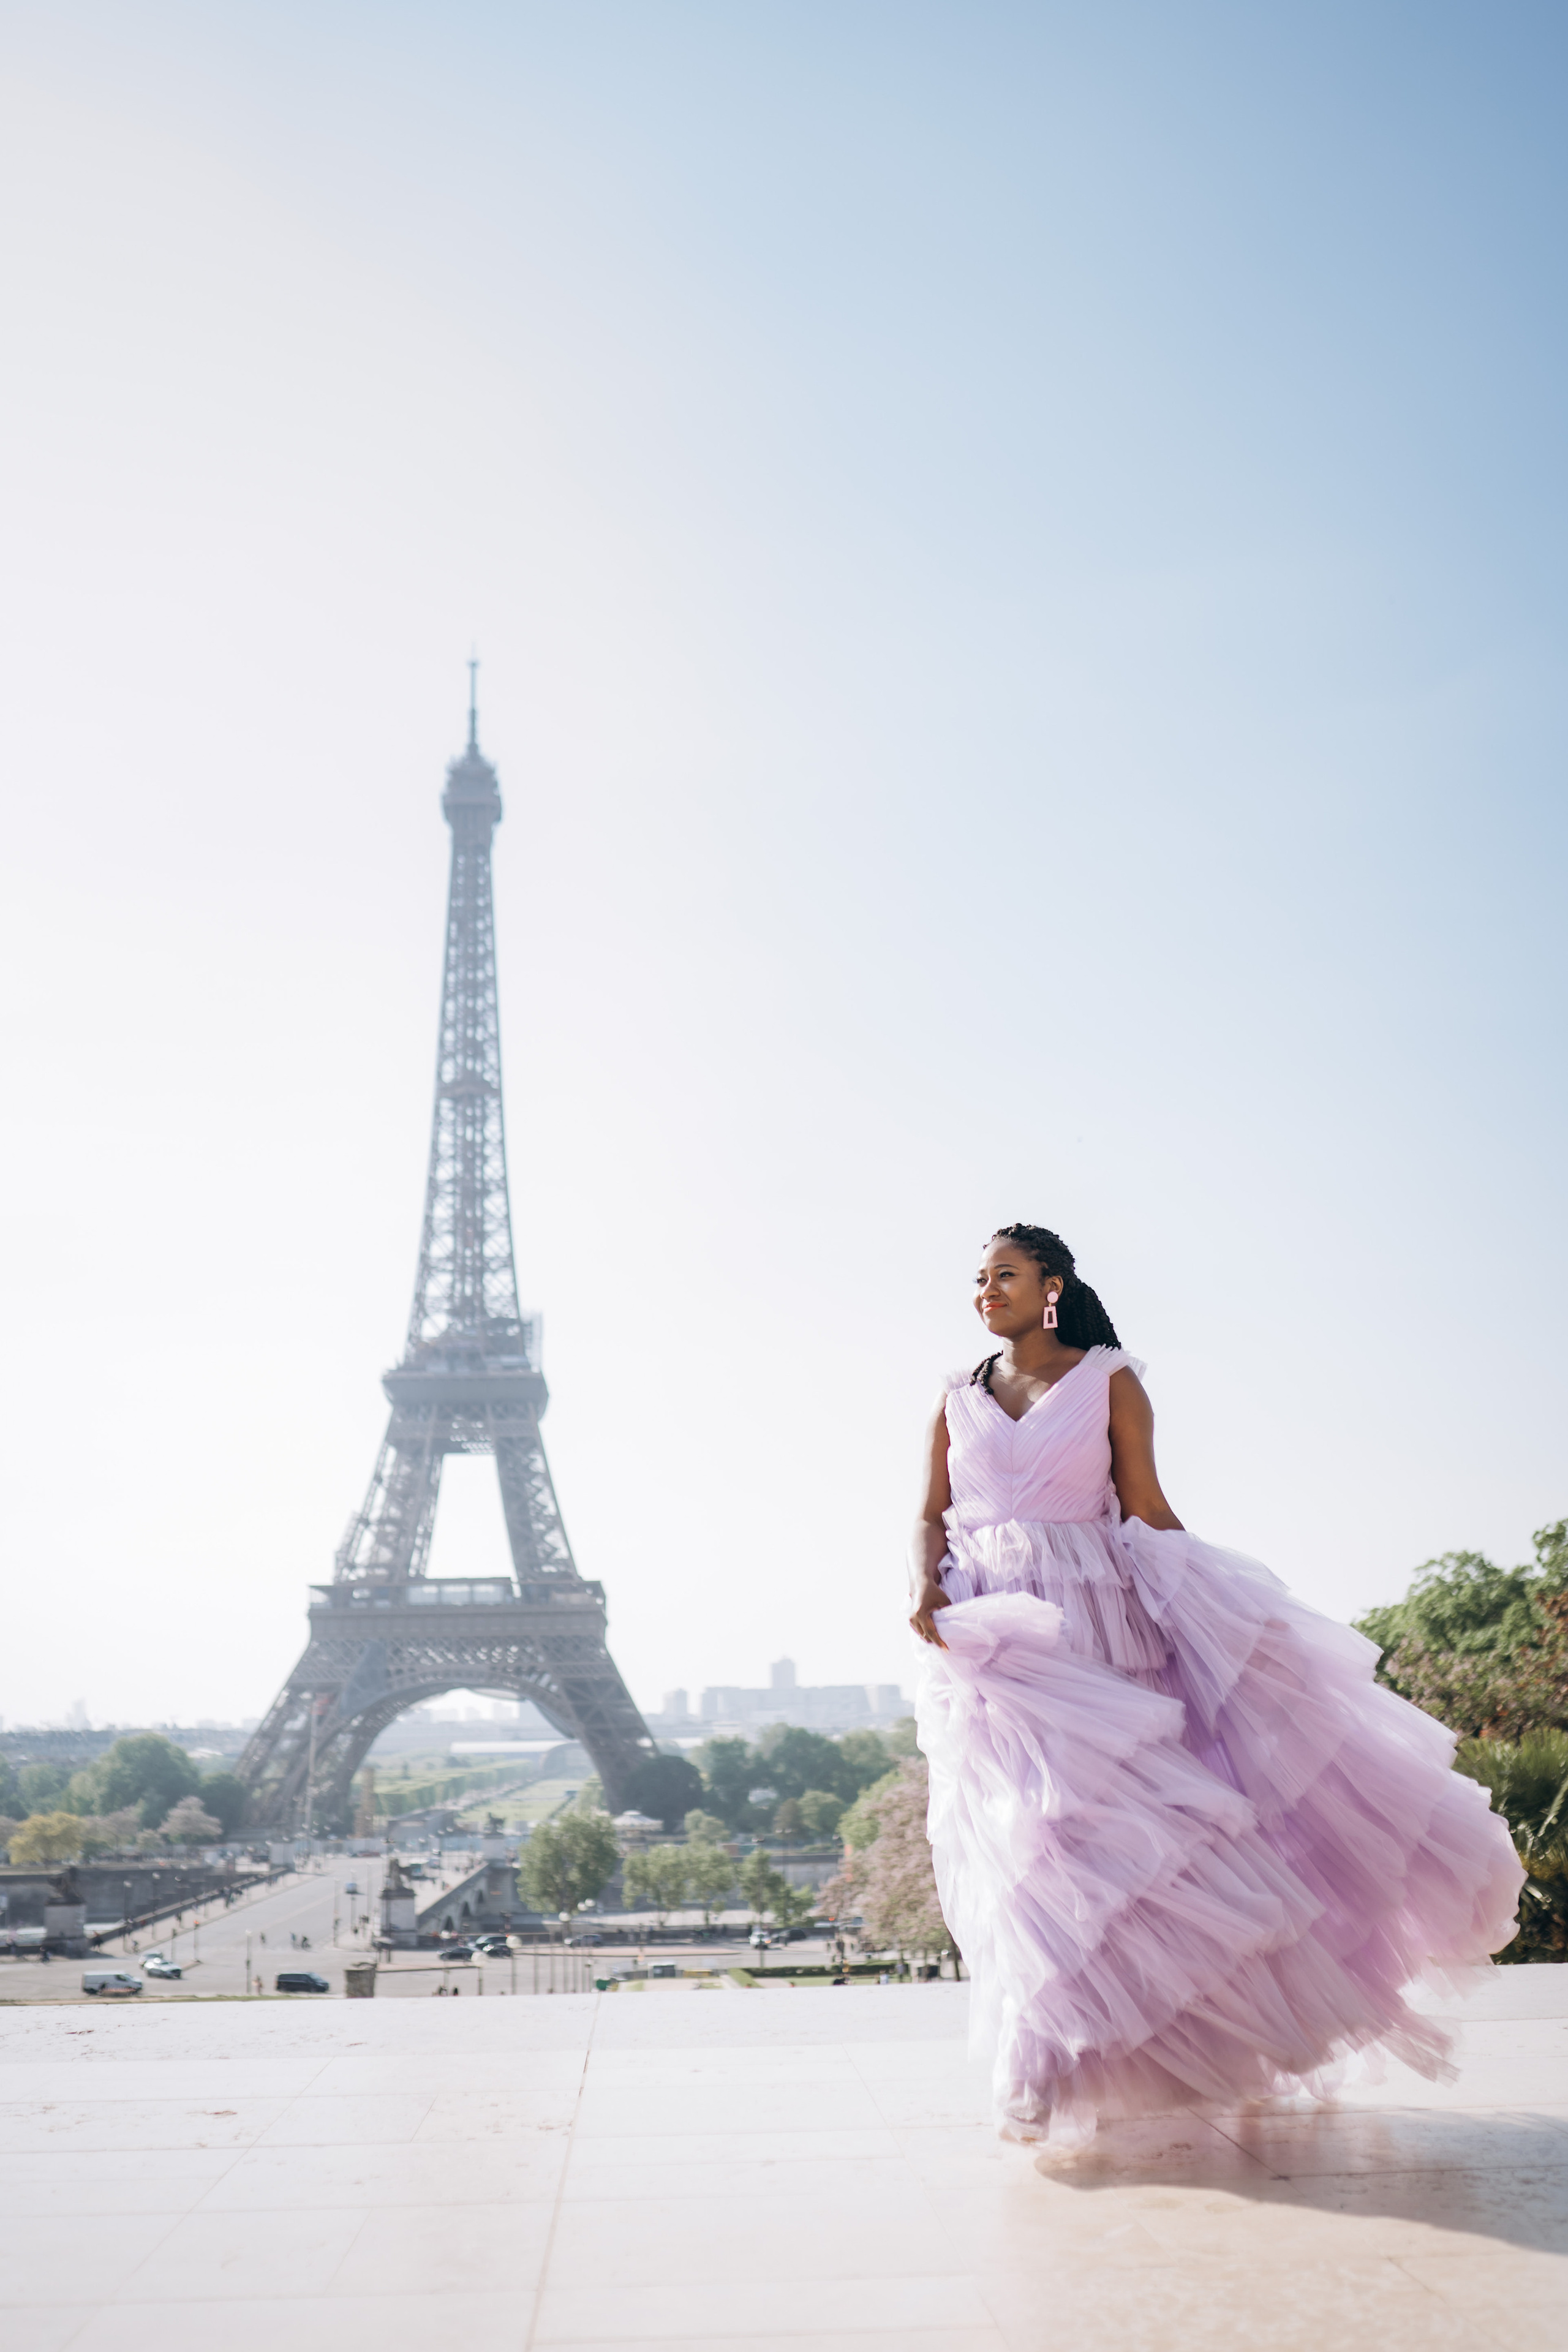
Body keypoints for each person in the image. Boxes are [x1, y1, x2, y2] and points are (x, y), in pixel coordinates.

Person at [909, 1223, 1524, 2152]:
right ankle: (1041, 2059)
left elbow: (1147, 1507)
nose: (984, 1290)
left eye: (1004, 1275)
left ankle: (1077, 2055)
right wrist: (923, 1582)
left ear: (1052, 1287)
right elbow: (929, 1514)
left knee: (1118, 1839)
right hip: (994, 1638)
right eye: (978, 1277)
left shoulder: (1110, 1382)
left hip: (1097, 1623)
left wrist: (1221, 1610)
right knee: (1025, 1844)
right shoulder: (957, 1397)